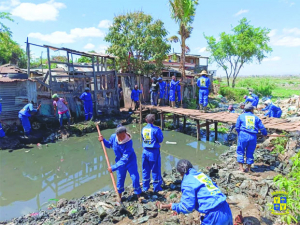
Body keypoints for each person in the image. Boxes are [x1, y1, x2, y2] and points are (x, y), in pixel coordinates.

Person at [159, 159, 233, 225]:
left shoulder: (187, 182)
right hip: (226, 208)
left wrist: (173, 206)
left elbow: (187, 208)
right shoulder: (201, 175)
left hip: (214, 215)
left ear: (181, 173)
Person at [98, 126, 142, 199]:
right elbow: (109, 145)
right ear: (116, 135)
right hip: (119, 161)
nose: (121, 138)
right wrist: (103, 140)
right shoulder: (113, 137)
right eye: (119, 136)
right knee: (120, 179)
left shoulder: (129, 142)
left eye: (123, 136)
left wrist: (113, 167)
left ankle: (138, 194)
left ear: (125, 133)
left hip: (130, 161)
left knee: (134, 178)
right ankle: (119, 197)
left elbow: (125, 158)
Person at [235, 103, 267, 172]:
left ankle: (241, 168)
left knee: (240, 151)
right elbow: (262, 128)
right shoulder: (256, 118)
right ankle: (248, 168)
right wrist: (264, 134)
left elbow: (237, 127)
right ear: (252, 110)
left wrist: (239, 133)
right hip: (253, 136)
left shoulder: (241, 116)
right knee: (250, 151)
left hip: (243, 135)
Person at [141, 114, 164, 192]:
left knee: (145, 169)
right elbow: (160, 140)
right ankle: (156, 187)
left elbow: (142, 138)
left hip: (145, 151)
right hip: (153, 151)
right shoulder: (156, 129)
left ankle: (145, 187)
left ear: (146, 120)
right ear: (153, 121)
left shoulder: (143, 129)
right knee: (155, 169)